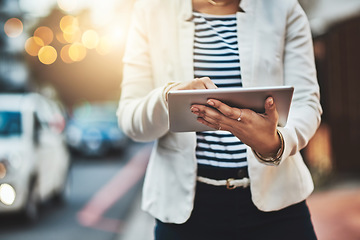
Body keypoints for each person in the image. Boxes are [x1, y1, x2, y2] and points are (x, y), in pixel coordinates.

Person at [117, 0, 322, 239]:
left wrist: (274, 143)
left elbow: (306, 104)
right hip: (185, 214)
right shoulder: (150, 10)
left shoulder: (283, 8)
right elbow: (130, 119)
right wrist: (168, 98)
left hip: (278, 204)